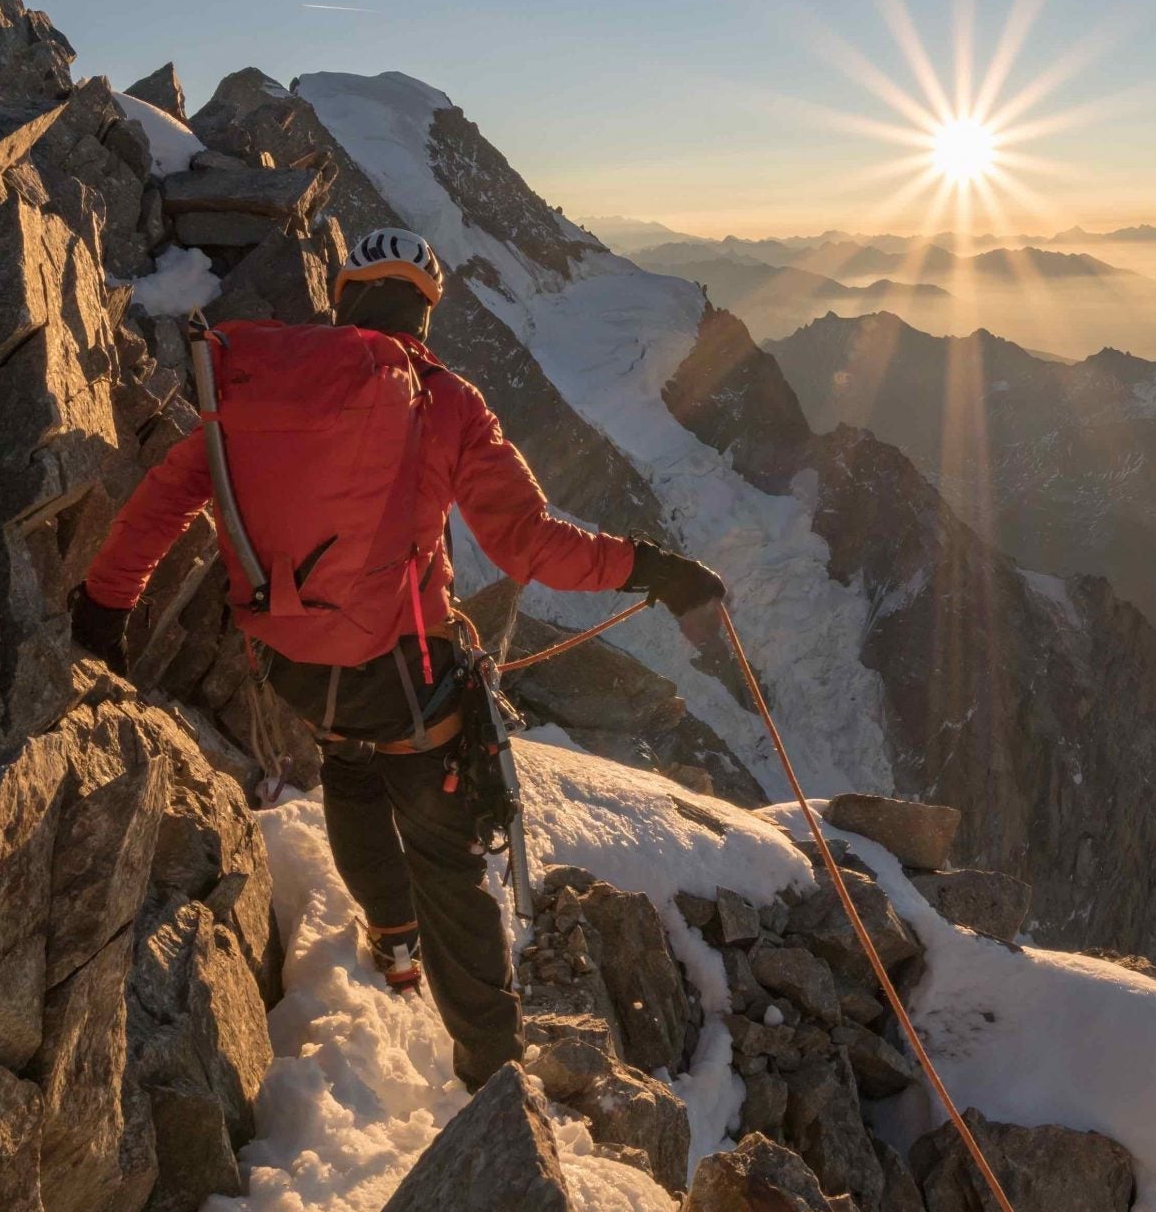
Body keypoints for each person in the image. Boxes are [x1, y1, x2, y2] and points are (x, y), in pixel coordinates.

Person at [69, 227, 725, 1089]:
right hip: (403, 676)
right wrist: (661, 572)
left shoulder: (252, 384)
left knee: (348, 763)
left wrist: (105, 603)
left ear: (345, 299)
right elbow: (532, 547)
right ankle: (492, 1072)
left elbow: (168, 497)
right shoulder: (442, 397)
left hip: (293, 667)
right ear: (426, 308)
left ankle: (392, 939)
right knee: (445, 859)